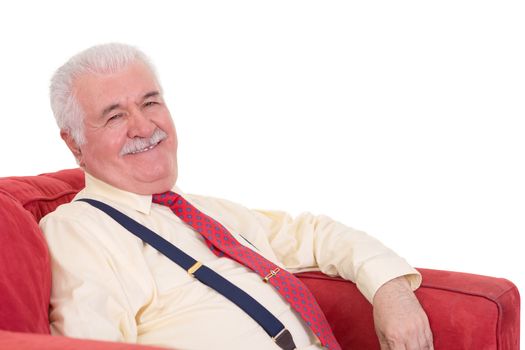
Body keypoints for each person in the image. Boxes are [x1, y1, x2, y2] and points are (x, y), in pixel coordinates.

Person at [41, 43, 433, 350]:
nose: (144, 126)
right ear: (74, 143)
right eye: (115, 116)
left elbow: (315, 234)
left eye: (150, 102)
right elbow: (91, 341)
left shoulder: (202, 212)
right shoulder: (77, 231)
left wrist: (391, 292)